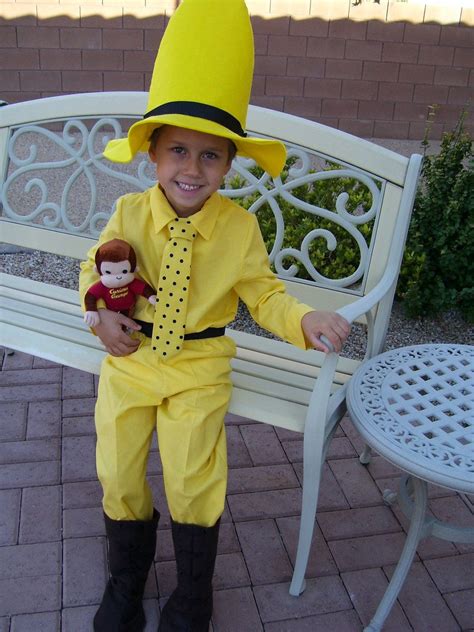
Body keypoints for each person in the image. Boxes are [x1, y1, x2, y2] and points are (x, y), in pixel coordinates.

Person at [79, 1, 350, 631]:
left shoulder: (239, 228)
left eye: (209, 156)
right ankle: (126, 581)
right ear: (152, 155)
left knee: (193, 476)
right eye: (178, 151)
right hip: (132, 357)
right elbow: (95, 271)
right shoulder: (128, 214)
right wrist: (99, 319)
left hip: (200, 366)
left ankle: (193, 595)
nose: (191, 169)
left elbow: (265, 292)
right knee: (117, 466)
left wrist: (303, 319)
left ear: (228, 165)